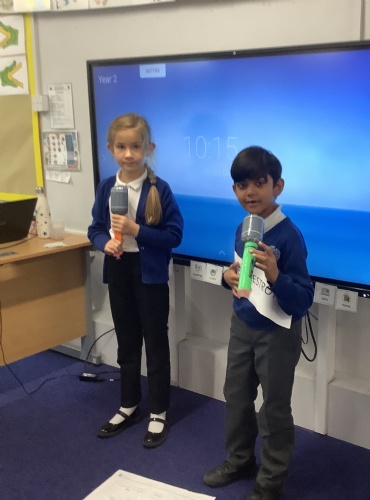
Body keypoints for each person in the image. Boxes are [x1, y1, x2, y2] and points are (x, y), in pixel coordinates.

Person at [203, 146, 314, 499]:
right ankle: (239, 460)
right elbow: (242, 275)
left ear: (277, 186)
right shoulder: (244, 228)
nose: (249, 192)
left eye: (259, 183)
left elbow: (303, 299)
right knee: (235, 396)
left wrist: (277, 275)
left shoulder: (289, 235)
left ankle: (270, 483)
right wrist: (227, 278)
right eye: (241, 185)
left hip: (277, 335)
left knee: (274, 408)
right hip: (243, 325)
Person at [88, 113, 183, 449]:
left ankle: (158, 411)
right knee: (127, 341)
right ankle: (128, 404)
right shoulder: (106, 187)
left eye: (135, 147)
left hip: (150, 274)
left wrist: (136, 230)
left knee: (155, 342)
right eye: (121, 147)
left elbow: (174, 235)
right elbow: (95, 228)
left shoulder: (160, 189)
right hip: (119, 270)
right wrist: (105, 243)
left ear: (148, 148)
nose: (128, 154)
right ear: (110, 149)